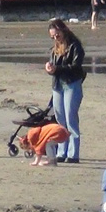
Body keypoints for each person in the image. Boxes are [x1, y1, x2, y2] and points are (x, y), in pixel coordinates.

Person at [45, 18, 86, 163]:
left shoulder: (75, 46)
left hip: (72, 84)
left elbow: (76, 66)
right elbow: (54, 67)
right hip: (57, 85)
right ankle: (62, 152)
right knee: (60, 119)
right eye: (53, 36)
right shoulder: (55, 48)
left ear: (63, 31)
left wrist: (58, 69)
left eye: (57, 35)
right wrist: (50, 69)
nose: (56, 38)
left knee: (71, 118)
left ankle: (73, 154)